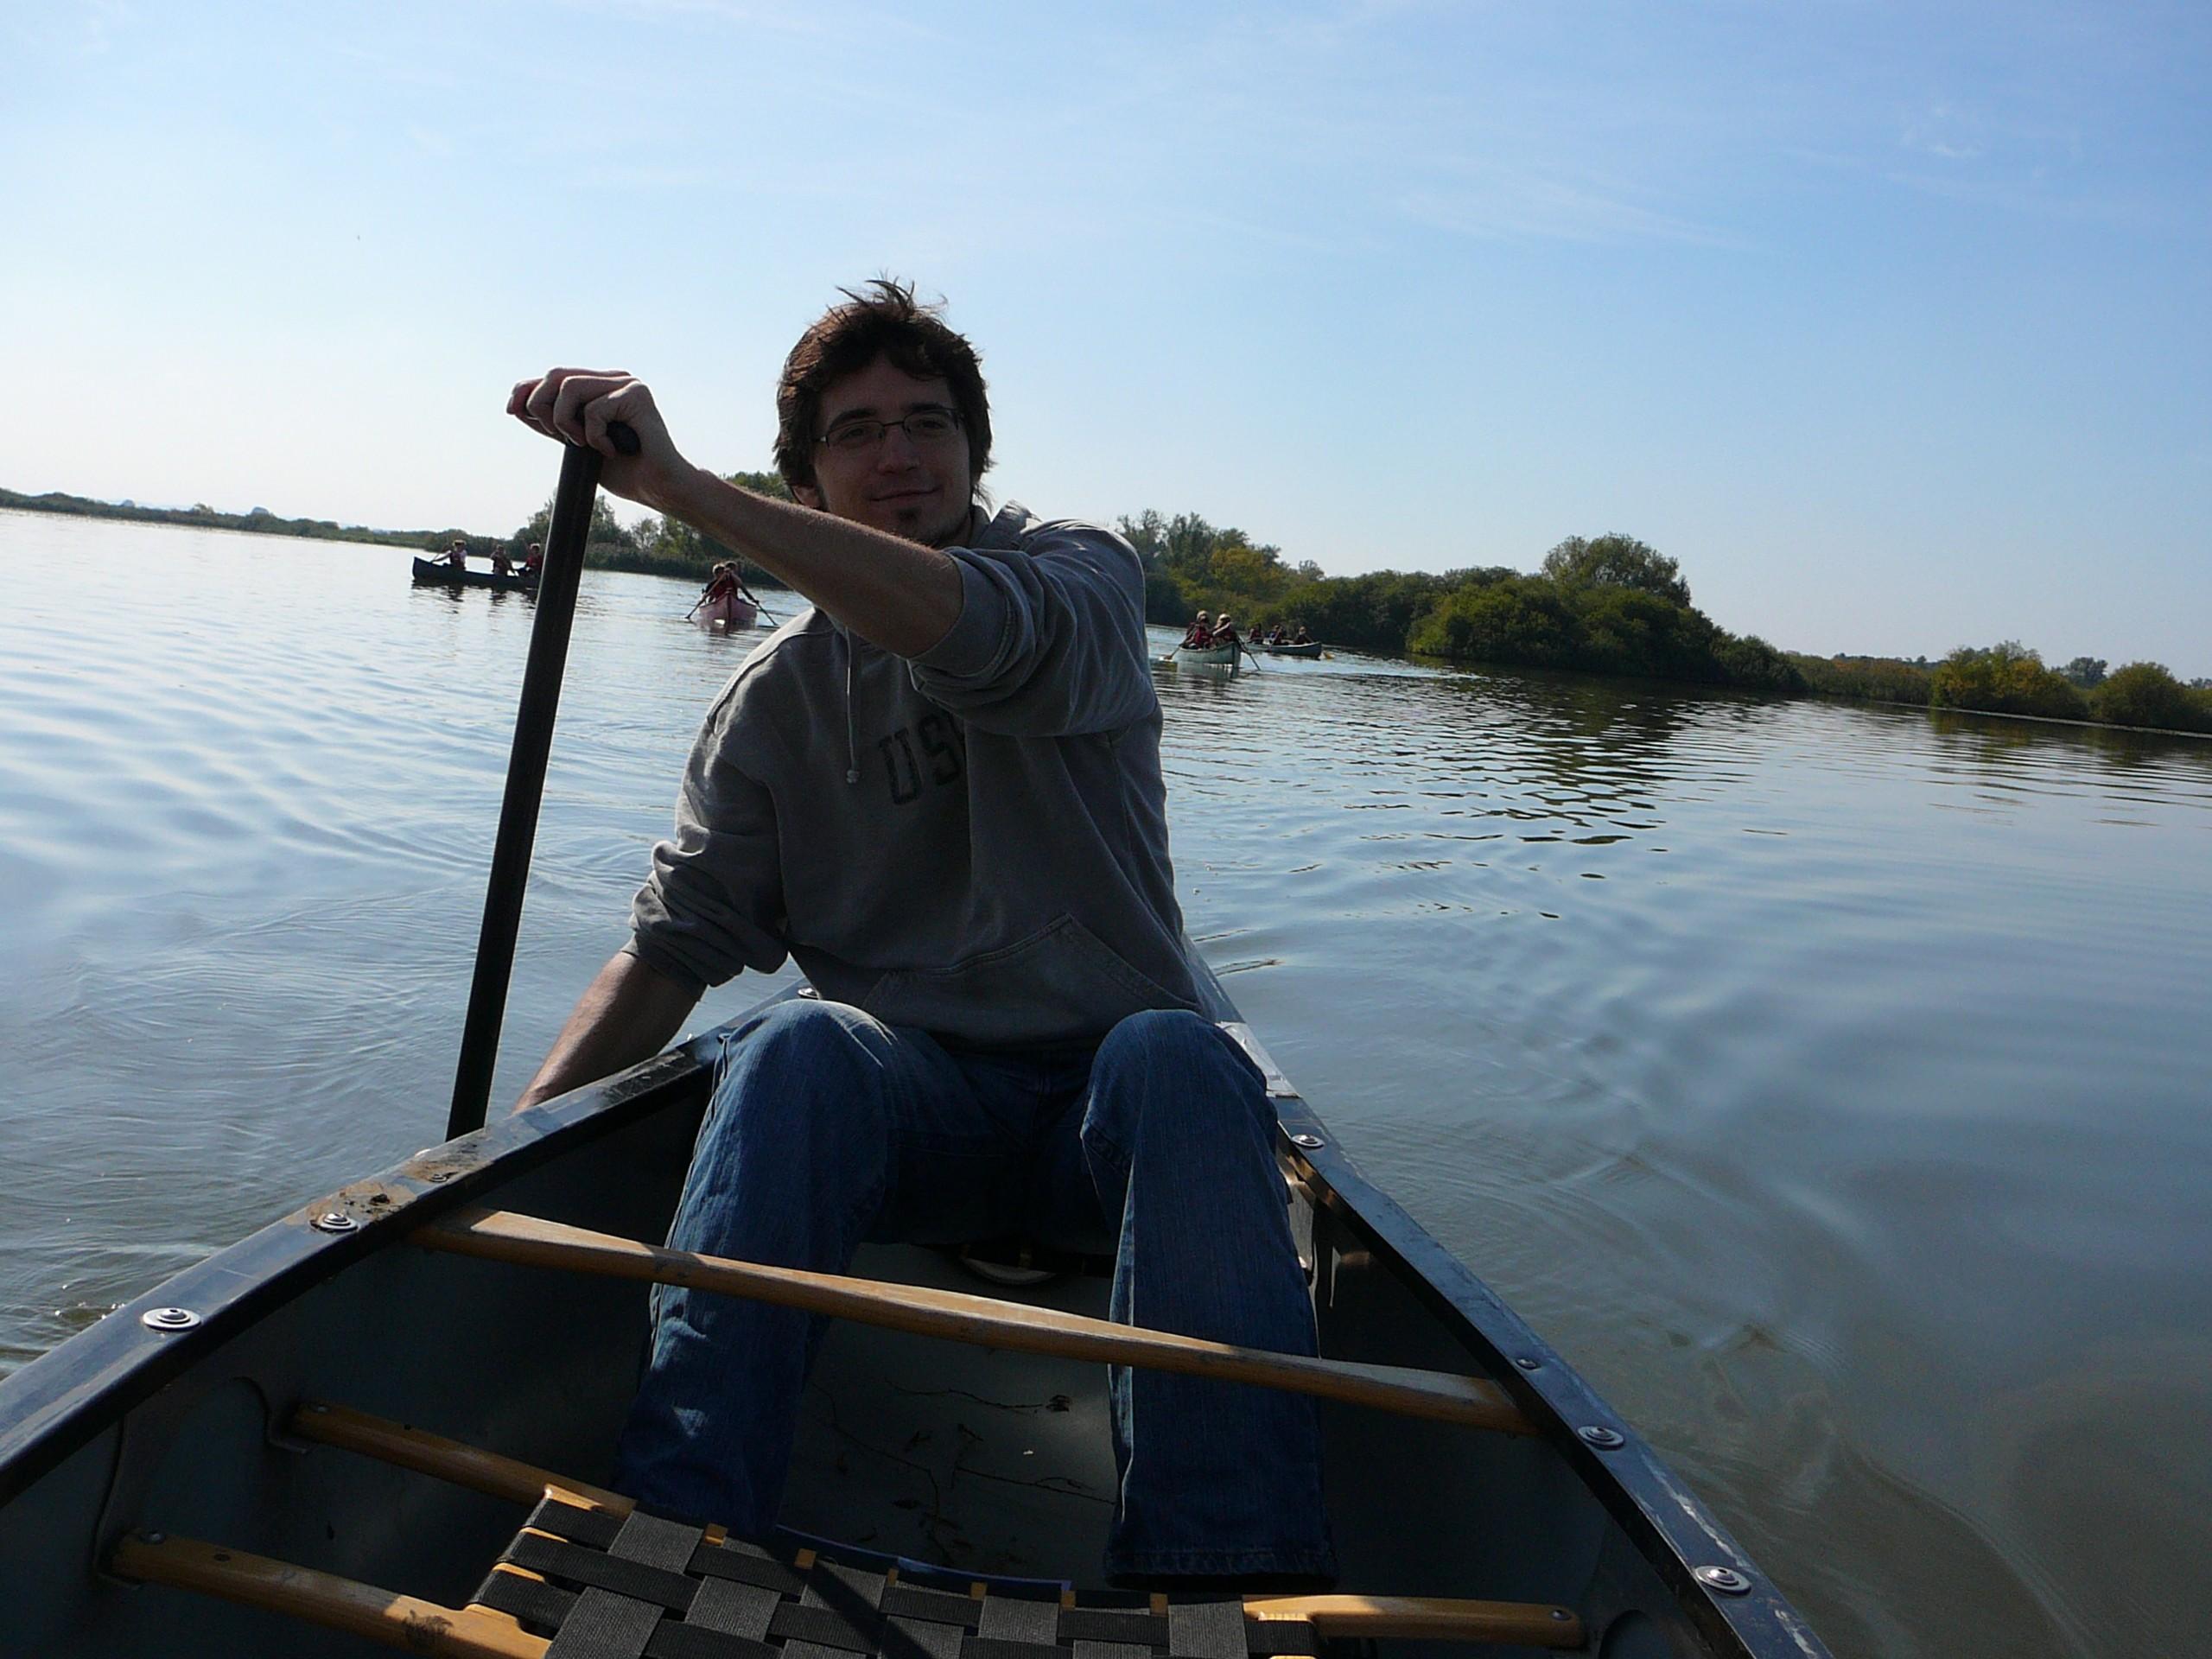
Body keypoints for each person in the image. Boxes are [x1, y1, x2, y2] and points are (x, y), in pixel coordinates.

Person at [505, 280, 1332, 1586]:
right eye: (857, 431)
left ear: (973, 452)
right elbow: (679, 940)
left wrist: (687, 491)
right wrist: (503, 1149)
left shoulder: (1081, 578)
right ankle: (679, 1534)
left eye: (927, 423)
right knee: (794, 1047)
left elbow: (982, 638)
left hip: (1107, 1118)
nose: (899, 454)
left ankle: (1218, 1569)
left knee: (1182, 1057)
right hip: (914, 1114)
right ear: (812, 475)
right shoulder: (776, 703)